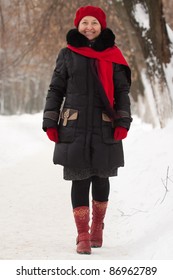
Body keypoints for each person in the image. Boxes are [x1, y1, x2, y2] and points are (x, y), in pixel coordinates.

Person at [42, 5, 132, 255]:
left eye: (94, 22)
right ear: (78, 26)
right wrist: (50, 121)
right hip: (75, 127)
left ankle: (97, 228)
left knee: (101, 178)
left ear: (101, 26)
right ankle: (82, 234)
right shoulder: (67, 54)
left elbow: (122, 92)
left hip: (105, 126)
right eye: (84, 23)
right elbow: (55, 90)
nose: (89, 27)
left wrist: (123, 121)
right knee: (79, 179)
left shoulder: (113, 55)